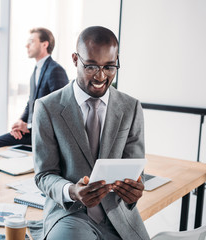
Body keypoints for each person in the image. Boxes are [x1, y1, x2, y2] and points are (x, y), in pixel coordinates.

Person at [32, 26, 150, 240]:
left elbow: (136, 170)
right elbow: (43, 175)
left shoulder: (131, 108)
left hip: (119, 216)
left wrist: (135, 192)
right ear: (75, 59)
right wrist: (71, 191)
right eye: (92, 66)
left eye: (110, 67)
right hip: (70, 213)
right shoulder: (47, 108)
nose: (101, 76)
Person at [0, 27, 68, 150]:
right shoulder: (36, 70)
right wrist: (19, 123)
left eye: (31, 41)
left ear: (44, 44)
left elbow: (61, 109)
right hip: (32, 131)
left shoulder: (55, 70)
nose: (26, 45)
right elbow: (31, 103)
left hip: (45, 134)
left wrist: (29, 127)